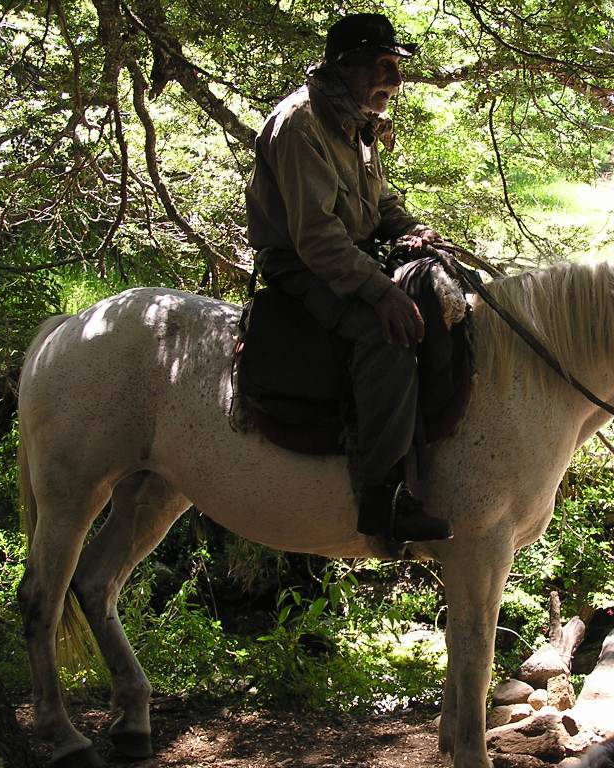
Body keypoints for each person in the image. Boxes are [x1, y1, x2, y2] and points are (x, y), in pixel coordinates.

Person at [245, 13, 453, 543]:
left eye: (396, 67)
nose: (395, 81)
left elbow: (378, 199)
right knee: (387, 335)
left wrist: (413, 228)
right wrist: (379, 291)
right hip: (301, 264)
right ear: (347, 67)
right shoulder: (300, 125)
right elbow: (315, 237)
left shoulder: (355, 122)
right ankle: (381, 500)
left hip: (348, 252)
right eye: (384, 67)